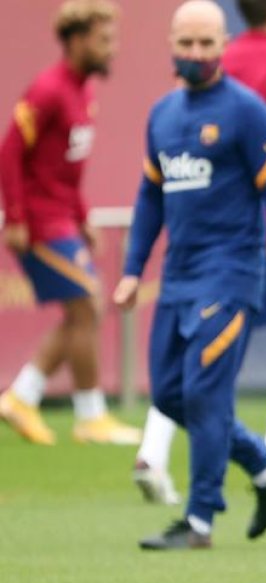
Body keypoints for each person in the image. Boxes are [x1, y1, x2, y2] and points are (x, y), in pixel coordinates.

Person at [114, 0, 266, 550]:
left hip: (231, 275)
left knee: (203, 395)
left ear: (224, 45)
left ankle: (199, 520)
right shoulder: (163, 115)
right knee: (170, 397)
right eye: (187, 44)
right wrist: (133, 269)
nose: (197, 54)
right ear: (172, 46)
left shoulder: (247, 112)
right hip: (177, 278)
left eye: (207, 44)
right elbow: (150, 196)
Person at [0, 0, 141, 447]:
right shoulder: (48, 90)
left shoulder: (83, 92)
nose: (112, 49)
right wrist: (16, 218)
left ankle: (22, 397)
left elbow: (64, 167)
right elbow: (8, 151)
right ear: (78, 41)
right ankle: (89, 415)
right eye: (104, 40)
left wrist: (83, 217)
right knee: (88, 302)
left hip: (62, 219)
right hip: (38, 223)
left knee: (84, 308)